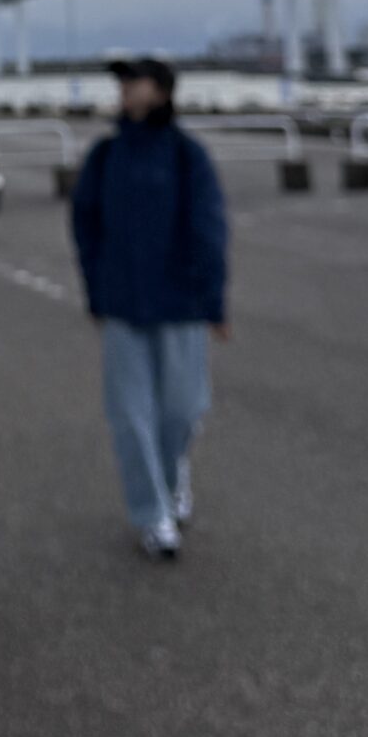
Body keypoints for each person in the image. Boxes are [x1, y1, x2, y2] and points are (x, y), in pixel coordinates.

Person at [71, 57, 229, 560]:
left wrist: (213, 300)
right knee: (130, 415)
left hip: (180, 303)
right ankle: (153, 514)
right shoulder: (105, 155)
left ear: (160, 92)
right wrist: (95, 291)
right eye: (120, 83)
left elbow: (209, 229)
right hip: (122, 303)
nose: (123, 90)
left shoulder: (187, 156)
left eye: (132, 81)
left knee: (183, 409)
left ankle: (172, 473)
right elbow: (86, 227)